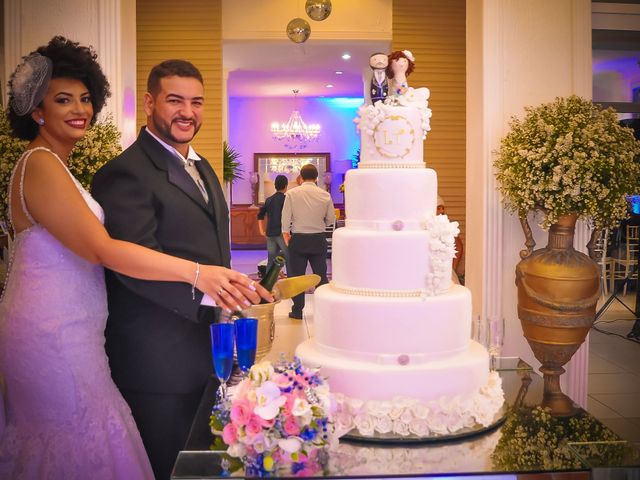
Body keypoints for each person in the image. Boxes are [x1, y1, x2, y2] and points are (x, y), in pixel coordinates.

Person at [0, 37, 270, 480]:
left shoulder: (64, 166)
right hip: (53, 332)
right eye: (63, 99)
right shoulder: (52, 164)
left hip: (81, 326)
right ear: (36, 110)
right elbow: (106, 251)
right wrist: (202, 278)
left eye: (85, 98)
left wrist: (230, 289)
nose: (78, 109)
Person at [91, 59, 271, 479]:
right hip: (157, 359)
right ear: (151, 102)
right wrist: (215, 291)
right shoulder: (126, 173)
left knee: (204, 466)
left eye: (196, 102)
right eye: (175, 100)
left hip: (208, 350)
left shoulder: (205, 167)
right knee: (166, 467)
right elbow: (131, 267)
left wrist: (238, 287)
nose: (187, 112)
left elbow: (211, 252)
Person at [281, 164, 335, 319]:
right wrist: (320, 225)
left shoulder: (292, 194)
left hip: (298, 239)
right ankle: (324, 310)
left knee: (297, 276)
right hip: (318, 238)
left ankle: (297, 311)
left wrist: (286, 233)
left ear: (301, 177)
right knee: (321, 275)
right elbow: (331, 219)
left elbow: (285, 217)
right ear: (317, 177)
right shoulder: (325, 194)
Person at [258, 174, 289, 272]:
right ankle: (290, 283)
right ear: (286, 185)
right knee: (289, 258)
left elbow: (260, 215)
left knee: (271, 261)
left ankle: (268, 285)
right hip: (281, 233)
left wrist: (261, 230)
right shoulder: (286, 199)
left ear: (275, 185)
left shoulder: (268, 200)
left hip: (270, 233)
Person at [437, 195, 464, 276]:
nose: (441, 210)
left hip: (443, 269)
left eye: (443, 208)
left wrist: (453, 267)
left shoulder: (447, 226)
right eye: (438, 208)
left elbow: (458, 246)